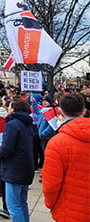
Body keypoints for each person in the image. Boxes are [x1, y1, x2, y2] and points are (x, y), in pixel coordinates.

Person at [42, 94, 90, 222]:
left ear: (61, 112)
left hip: (70, 211)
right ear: (84, 111)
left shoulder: (57, 142)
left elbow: (50, 184)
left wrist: (51, 204)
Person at [0, 98, 35, 222]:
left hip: (14, 170)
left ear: (14, 108)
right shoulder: (27, 123)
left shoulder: (12, 124)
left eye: (9, 106)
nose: (7, 108)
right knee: (22, 203)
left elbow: (6, 150)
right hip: (25, 167)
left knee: (14, 206)